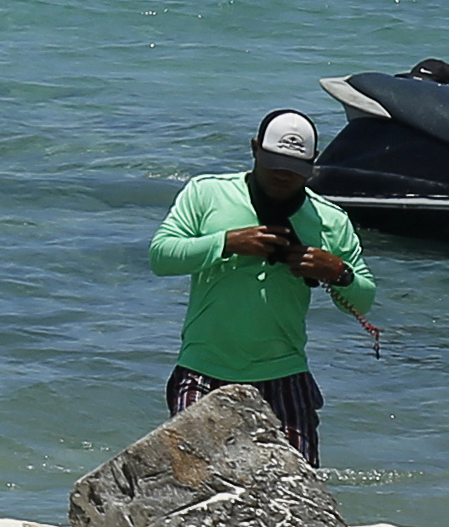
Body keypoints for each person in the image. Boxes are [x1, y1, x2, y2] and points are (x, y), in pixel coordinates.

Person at [149, 109, 381, 462]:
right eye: (274, 162)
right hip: (203, 369)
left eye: (294, 167)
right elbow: (161, 257)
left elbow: (363, 300)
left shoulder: (330, 220)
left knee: (298, 491)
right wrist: (226, 243)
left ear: (313, 164)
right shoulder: (207, 193)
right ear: (255, 148)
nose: (283, 174)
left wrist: (337, 271)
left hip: (284, 373)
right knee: (198, 489)